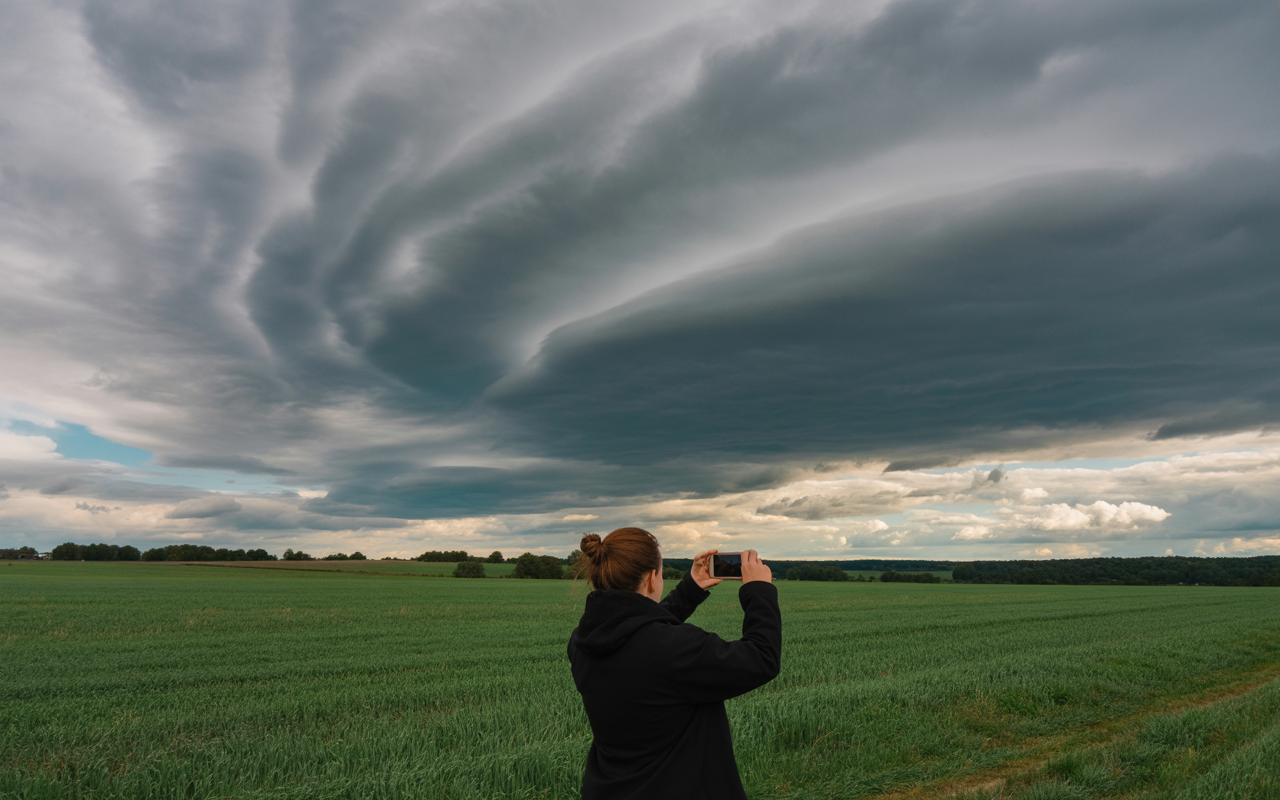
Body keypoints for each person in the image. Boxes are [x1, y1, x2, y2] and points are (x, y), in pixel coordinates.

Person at [567, 527, 782, 800]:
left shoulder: (581, 641)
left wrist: (690, 590)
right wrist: (758, 590)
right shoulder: (675, 648)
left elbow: (638, 632)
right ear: (651, 577)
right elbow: (762, 658)